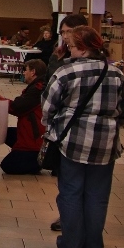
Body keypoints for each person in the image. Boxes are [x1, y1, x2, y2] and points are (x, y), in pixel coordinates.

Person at [42, 26, 124, 248]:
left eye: (72, 46)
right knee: (97, 197)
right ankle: (93, 244)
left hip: (72, 142)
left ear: (83, 49)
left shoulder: (65, 72)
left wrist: (54, 124)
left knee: (71, 194)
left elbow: (47, 107)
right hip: (106, 146)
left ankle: (71, 243)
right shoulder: (116, 74)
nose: (70, 50)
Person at [44, 13, 88, 233]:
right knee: (67, 182)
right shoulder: (59, 55)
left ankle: (77, 227)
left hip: (80, 129)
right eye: (62, 32)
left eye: (68, 32)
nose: (65, 36)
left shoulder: (88, 60)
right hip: (64, 128)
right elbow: (49, 88)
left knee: (82, 185)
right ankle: (69, 219)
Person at [0, 59, 47, 175]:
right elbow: (19, 104)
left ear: (33, 72)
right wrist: (0, 98)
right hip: (32, 134)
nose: (23, 73)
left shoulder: (37, 89)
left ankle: (36, 162)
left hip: (34, 141)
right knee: (6, 133)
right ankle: (24, 154)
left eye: (25, 70)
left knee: (7, 166)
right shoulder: (37, 87)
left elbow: (17, 108)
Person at [46, 14, 89, 80]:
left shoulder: (92, 56)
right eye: (63, 32)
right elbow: (47, 80)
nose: (65, 36)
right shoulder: (57, 55)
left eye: (69, 31)